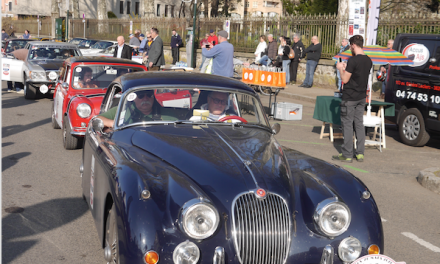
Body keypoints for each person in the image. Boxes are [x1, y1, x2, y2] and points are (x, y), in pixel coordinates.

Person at [332, 35, 372, 163]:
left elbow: (344, 79)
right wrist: (346, 67)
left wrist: (340, 69)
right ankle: (360, 153)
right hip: (361, 97)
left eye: (350, 46)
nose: (350, 49)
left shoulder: (353, 61)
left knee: (347, 125)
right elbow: (357, 75)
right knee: (359, 124)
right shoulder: (368, 60)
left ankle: (347, 154)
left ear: (353, 44)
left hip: (350, 97)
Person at [98, 90, 176, 128]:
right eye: (141, 96)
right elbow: (97, 119)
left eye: (149, 95)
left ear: (153, 97)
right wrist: (114, 123)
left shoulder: (167, 113)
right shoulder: (123, 110)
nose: (145, 98)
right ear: (134, 99)